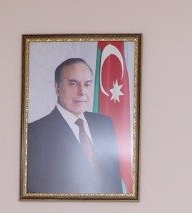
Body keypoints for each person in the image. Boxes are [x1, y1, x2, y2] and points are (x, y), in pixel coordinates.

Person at [24, 57, 122, 194]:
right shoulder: (34, 133)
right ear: (57, 88)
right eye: (73, 84)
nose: (82, 91)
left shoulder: (105, 124)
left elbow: (115, 181)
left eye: (87, 84)